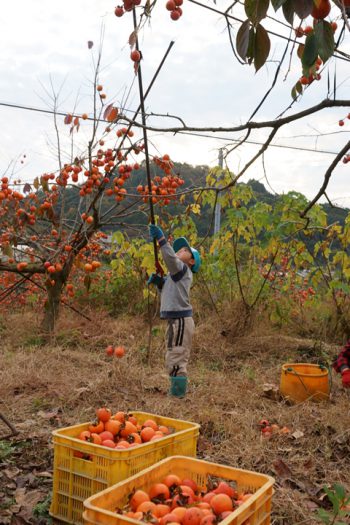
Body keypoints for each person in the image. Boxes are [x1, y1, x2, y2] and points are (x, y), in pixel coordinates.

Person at [147, 224, 201, 398]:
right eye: (178, 250)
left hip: (181, 321)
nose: (179, 251)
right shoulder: (175, 275)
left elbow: (170, 259)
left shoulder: (183, 270)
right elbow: (169, 293)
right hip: (175, 321)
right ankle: (175, 390)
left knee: (177, 357)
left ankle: (177, 396)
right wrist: (160, 283)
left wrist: (162, 240)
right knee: (172, 355)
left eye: (184, 250)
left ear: (191, 261)